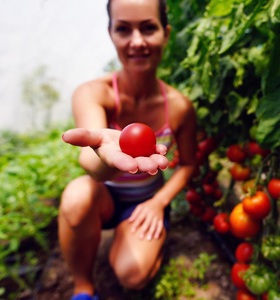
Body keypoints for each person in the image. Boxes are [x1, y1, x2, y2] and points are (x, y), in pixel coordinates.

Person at [58, 0, 197, 299]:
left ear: (166, 33)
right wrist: (109, 158)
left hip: (144, 201)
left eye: (148, 28)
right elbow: (90, 162)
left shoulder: (180, 107)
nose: (137, 42)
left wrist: (158, 203)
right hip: (104, 197)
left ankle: (136, 237)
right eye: (123, 29)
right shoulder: (94, 93)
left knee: (132, 276)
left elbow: (188, 164)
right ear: (111, 34)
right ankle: (83, 288)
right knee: (76, 195)